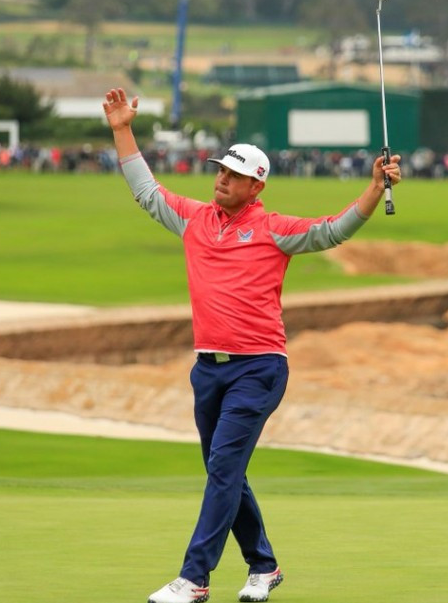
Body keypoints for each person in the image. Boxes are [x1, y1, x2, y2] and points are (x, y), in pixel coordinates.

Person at [102, 88, 401, 603]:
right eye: (220, 171)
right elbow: (148, 193)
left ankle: (194, 578)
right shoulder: (195, 221)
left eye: (233, 175)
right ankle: (264, 566)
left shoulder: (273, 229)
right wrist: (121, 129)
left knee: (222, 468)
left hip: (259, 368)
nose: (221, 179)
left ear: (255, 185)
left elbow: (332, 231)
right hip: (207, 369)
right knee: (227, 472)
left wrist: (374, 189)